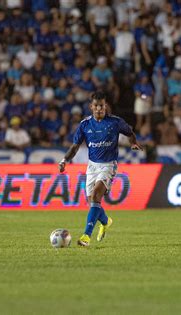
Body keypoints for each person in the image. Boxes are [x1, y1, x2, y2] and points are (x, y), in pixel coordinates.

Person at [58, 91, 142, 247]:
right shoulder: (85, 125)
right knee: (92, 202)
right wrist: (64, 160)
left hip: (108, 165)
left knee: (96, 195)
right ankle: (105, 221)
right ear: (91, 107)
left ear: (106, 106)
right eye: (96, 106)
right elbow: (75, 146)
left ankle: (86, 237)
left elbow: (130, 133)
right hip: (92, 166)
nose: (99, 109)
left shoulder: (115, 122)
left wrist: (133, 143)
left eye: (102, 106)